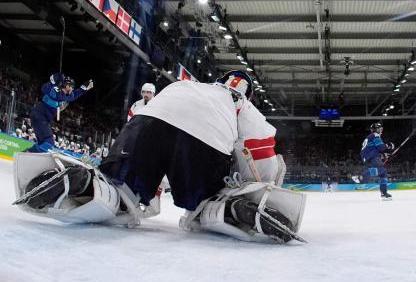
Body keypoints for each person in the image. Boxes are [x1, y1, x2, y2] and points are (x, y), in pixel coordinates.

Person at [13, 70, 305, 243]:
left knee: (120, 189)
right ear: (248, 93)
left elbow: (142, 123)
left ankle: (85, 185)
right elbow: (260, 152)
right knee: (204, 205)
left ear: (218, 80)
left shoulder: (188, 85)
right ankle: (232, 210)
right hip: (204, 139)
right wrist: (257, 189)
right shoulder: (240, 103)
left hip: (148, 123)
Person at [28, 73, 93, 153]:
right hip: (40, 116)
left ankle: (28, 153)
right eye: (72, 87)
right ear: (67, 86)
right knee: (49, 142)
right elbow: (44, 89)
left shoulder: (65, 94)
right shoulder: (56, 91)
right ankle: (29, 153)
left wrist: (84, 88)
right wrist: (52, 82)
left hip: (41, 118)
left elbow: (76, 94)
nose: (72, 89)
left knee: (43, 143)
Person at [360, 122, 394, 200]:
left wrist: (384, 155)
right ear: (375, 129)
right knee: (381, 169)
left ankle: (384, 193)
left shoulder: (371, 137)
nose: (381, 130)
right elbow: (381, 148)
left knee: (383, 173)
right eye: (379, 128)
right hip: (370, 155)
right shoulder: (375, 135)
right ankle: (362, 176)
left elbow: (375, 149)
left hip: (369, 155)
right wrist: (388, 146)